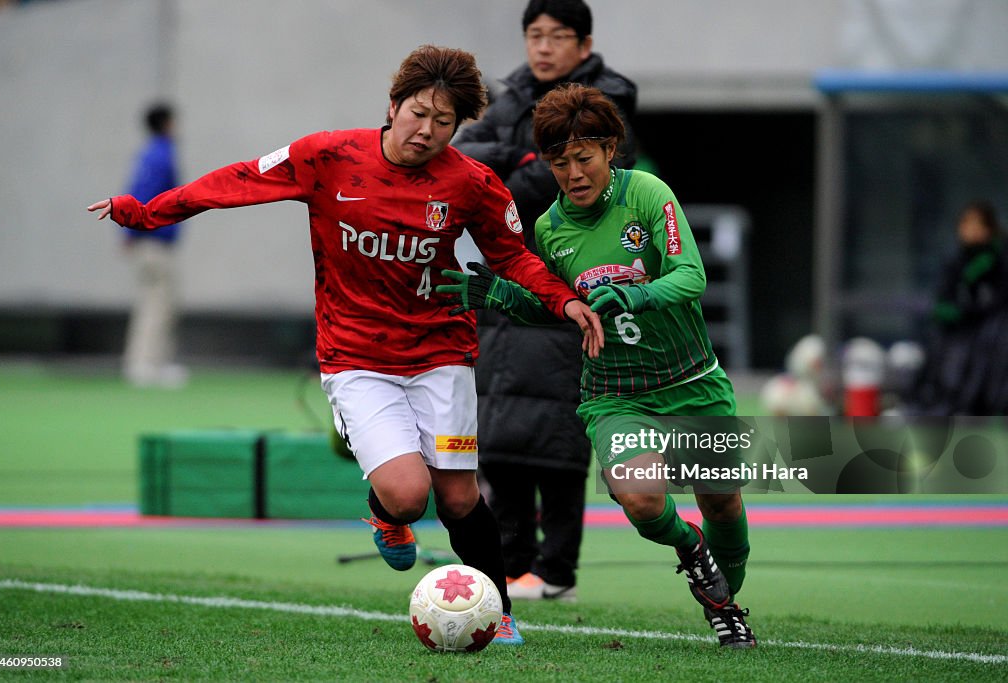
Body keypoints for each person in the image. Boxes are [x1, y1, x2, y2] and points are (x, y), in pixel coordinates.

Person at [88, 45, 605, 646]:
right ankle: (388, 515)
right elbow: (238, 181)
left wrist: (564, 299)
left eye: (444, 123)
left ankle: (498, 612)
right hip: (357, 358)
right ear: (392, 106)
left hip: (442, 353)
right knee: (410, 496)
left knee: (460, 496)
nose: (427, 131)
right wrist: (145, 212)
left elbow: (512, 254)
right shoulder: (328, 156)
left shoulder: (470, 183)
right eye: (418, 113)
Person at [438, 84, 756, 648]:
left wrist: (637, 296)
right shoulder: (549, 229)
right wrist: (499, 297)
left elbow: (692, 277)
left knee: (723, 501)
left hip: (693, 380)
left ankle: (725, 604)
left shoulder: (649, 195)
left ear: (611, 148)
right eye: (559, 163)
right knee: (641, 498)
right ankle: (691, 551)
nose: (572, 173)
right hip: (615, 392)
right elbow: (554, 308)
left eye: (583, 158)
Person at [453, 0, 637, 602]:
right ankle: (511, 565)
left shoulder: (609, 98)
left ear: (583, 45)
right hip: (506, 277)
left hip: (571, 274)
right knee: (501, 433)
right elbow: (466, 157)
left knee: (560, 438)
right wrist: (515, 165)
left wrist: (509, 175)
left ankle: (557, 572)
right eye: (535, 34)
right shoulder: (508, 96)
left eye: (558, 36)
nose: (544, 46)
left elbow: (551, 183)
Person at [912, 201, 1008, 415]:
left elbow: (996, 302)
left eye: (977, 225)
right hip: (960, 338)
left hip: (990, 341)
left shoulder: (999, 258)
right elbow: (943, 300)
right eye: (966, 224)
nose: (970, 231)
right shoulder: (955, 260)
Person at [121, 103, 188, 388]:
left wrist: (128, 233)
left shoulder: (149, 153)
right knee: (158, 304)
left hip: (148, 240)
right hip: (155, 241)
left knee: (155, 302)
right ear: (166, 123)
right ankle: (147, 365)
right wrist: (134, 230)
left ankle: (147, 363)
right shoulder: (162, 155)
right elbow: (146, 193)